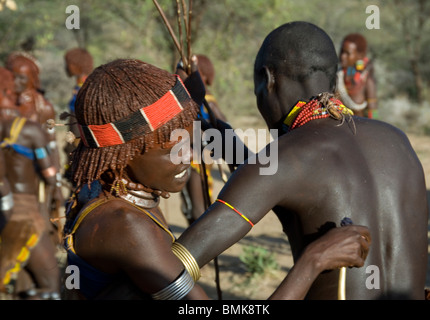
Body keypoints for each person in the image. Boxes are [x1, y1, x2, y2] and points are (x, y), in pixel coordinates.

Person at [62, 58, 370, 300]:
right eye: (174, 149)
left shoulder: (102, 186)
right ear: (123, 154)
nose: (189, 155)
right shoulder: (126, 226)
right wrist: (314, 259)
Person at [178, 21, 428, 299]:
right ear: (333, 81)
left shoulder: (288, 156)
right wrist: (222, 137)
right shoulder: (397, 141)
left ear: (267, 80)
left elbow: (172, 267)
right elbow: (285, 186)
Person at [0, 67, 61, 299]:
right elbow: (50, 175)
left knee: (21, 283)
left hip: (2, 214)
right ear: (9, 91)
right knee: (51, 286)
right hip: (25, 215)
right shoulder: (30, 130)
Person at [180, 53, 228, 224]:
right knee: (188, 202)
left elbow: (223, 126)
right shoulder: (191, 101)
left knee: (198, 204)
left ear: (205, 77)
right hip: (191, 153)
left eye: (195, 73)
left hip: (199, 157)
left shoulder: (208, 101)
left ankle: (199, 241)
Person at [336, 33, 378, 119]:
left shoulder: (366, 80)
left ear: (360, 56)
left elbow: (373, 111)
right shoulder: (336, 77)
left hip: (360, 130)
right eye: (342, 52)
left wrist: (373, 129)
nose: (343, 56)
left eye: (348, 53)